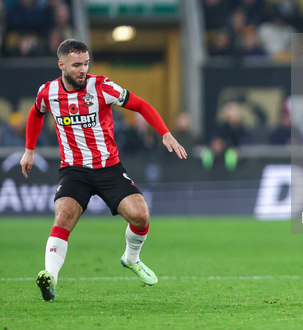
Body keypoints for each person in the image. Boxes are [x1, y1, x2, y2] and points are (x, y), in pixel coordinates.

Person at [20, 39, 187, 301]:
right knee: (63, 218)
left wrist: (165, 133)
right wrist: (29, 149)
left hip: (108, 168)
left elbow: (140, 105)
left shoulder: (102, 87)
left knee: (141, 216)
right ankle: (49, 277)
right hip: (74, 171)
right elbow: (35, 113)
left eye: (86, 63)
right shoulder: (48, 92)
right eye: (77, 65)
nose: (83, 69)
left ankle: (131, 258)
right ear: (61, 64)